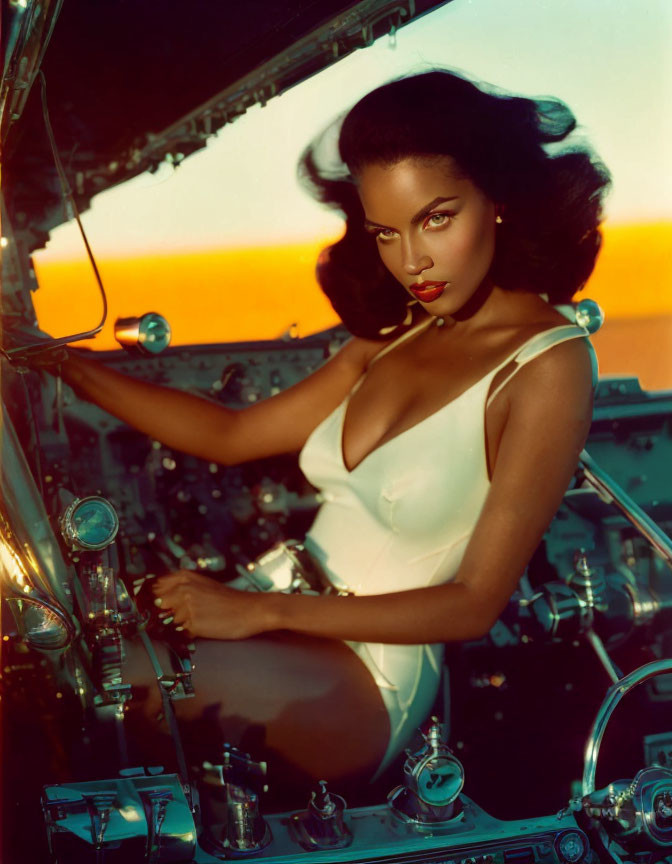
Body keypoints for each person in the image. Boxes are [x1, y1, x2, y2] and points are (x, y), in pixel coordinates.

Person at [54, 69, 610, 787]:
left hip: (370, 674)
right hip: (283, 610)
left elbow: (474, 603)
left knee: (90, 684)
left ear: (498, 199)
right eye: (386, 232)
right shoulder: (396, 337)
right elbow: (231, 436)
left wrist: (255, 613)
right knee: (56, 644)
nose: (413, 262)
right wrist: (66, 367)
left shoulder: (551, 364)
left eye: (436, 218)